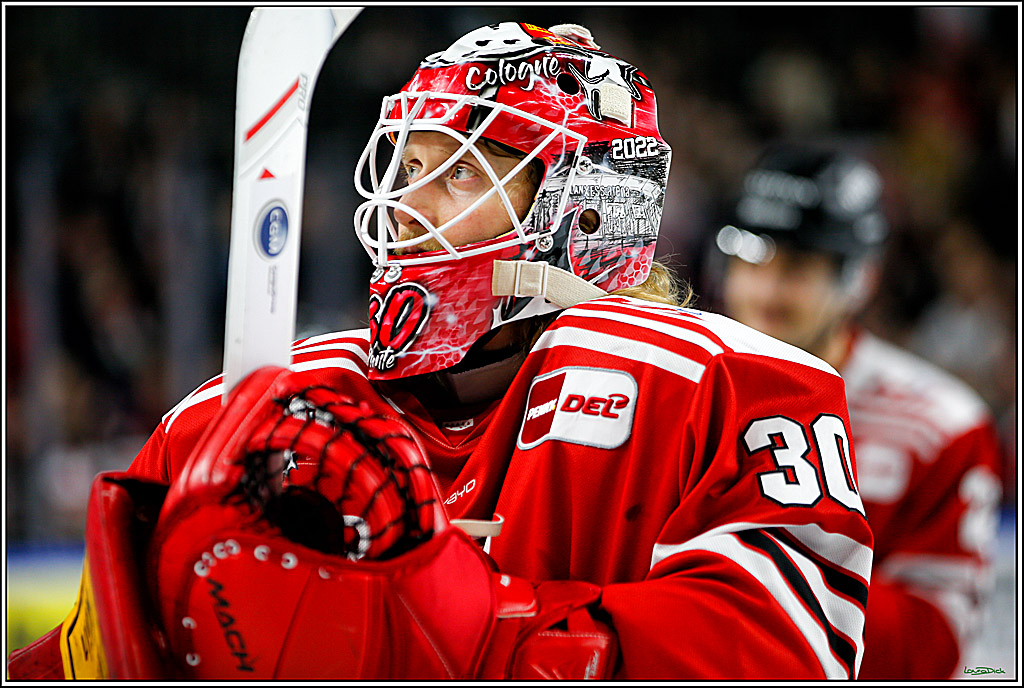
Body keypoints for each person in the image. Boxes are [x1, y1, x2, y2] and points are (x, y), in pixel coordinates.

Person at [8, 23, 874, 680]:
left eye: (459, 172)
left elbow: (787, 654)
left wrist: (462, 615)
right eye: (407, 166)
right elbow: (79, 665)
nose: (407, 206)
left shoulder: (721, 387)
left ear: (587, 211)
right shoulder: (247, 412)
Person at [711, 142, 1003, 679]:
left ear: (858, 279)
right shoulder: (681, 384)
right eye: (750, 258)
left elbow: (932, 642)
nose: (765, 288)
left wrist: (746, 586)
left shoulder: (942, 426)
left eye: (798, 264)